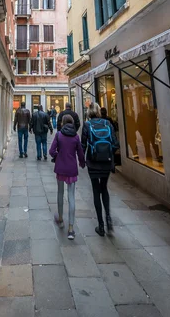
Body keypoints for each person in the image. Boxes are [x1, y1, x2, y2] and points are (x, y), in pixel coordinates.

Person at [81, 102, 119, 236]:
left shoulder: (87, 125)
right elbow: (115, 144)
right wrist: (108, 154)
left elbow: (83, 145)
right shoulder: (107, 124)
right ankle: (109, 219)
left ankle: (101, 225)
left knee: (96, 191)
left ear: (88, 112)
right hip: (106, 162)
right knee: (104, 188)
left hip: (93, 161)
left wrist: (82, 161)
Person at [49, 115, 85, 240]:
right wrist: (82, 163)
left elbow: (51, 151)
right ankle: (71, 228)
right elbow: (80, 153)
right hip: (71, 169)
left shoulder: (59, 135)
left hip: (60, 168)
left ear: (63, 123)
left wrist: (57, 155)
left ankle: (60, 219)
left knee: (60, 193)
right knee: (71, 197)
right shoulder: (75, 136)